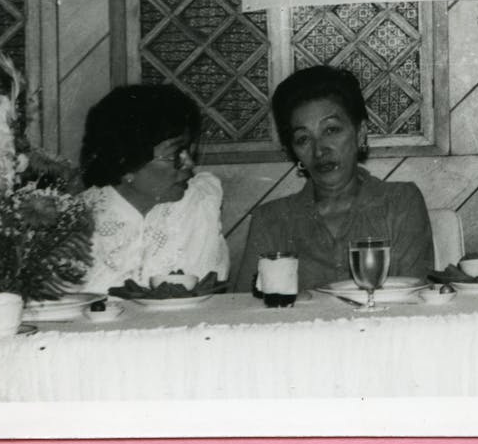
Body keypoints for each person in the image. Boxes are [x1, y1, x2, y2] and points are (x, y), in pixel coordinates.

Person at [233, 65, 434, 293]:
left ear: (360, 133)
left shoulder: (400, 202)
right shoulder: (270, 220)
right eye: (303, 139)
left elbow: (415, 298)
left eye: (331, 130)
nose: (319, 150)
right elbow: (242, 307)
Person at [76, 85, 229, 293]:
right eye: (176, 154)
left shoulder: (198, 203)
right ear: (128, 164)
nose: (189, 163)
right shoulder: (75, 220)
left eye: (188, 150)